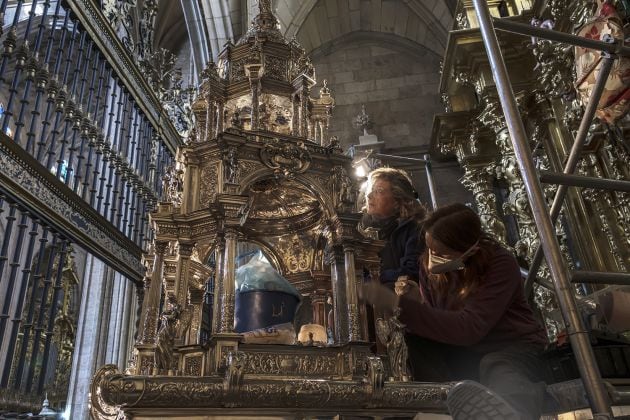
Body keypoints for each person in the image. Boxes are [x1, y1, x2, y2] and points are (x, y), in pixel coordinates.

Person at [361, 203, 550, 420]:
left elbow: (469, 327)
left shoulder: (499, 263)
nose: (432, 258)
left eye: (441, 252)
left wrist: (400, 305)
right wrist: (416, 304)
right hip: (462, 350)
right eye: (430, 248)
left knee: (500, 370)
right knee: (414, 341)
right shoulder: (428, 267)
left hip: (511, 347)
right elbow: (439, 323)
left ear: (469, 248)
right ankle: (433, 407)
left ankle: (508, 414)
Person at [359, 167, 426, 287]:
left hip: (404, 300)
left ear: (398, 200)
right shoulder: (360, 229)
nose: (369, 195)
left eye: (378, 191)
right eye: (370, 190)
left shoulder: (415, 229)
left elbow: (412, 271)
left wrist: (375, 278)